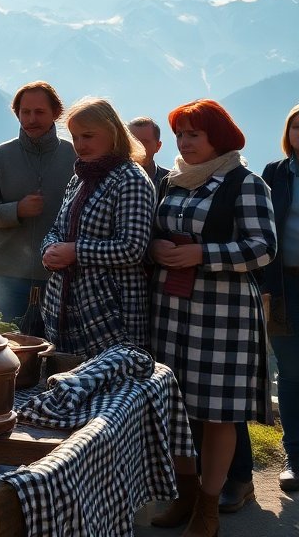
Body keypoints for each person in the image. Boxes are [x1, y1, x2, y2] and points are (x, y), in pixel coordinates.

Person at [147, 99, 276, 537]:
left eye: (193, 135)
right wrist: (157, 249)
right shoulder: (174, 182)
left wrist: (202, 254)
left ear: (217, 137)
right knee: (177, 406)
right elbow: (157, 233)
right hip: (172, 307)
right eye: (180, 134)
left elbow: (263, 247)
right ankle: (185, 495)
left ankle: (208, 507)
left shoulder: (246, 183)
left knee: (219, 413)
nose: (184, 143)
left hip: (224, 311)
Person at [38, 98, 154, 357]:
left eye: (88, 136)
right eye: (75, 137)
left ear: (112, 133)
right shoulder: (80, 178)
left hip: (110, 317)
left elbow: (132, 248)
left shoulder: (131, 179)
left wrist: (75, 251)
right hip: (66, 312)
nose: (80, 145)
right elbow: (58, 228)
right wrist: (50, 250)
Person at [0, 81, 77, 326]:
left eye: (39, 112)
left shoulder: (74, 156)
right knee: (7, 346)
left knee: (55, 350)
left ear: (56, 113)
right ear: (16, 113)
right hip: (8, 276)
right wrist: (16, 210)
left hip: (61, 275)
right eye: (25, 112)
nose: (31, 119)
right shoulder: (0, 156)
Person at [262, 103, 299, 493]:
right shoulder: (276, 173)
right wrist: (266, 283)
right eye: (297, 127)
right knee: (290, 375)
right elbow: (264, 230)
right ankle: (296, 458)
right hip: (287, 287)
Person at [130, 116, 171, 185]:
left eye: (144, 142)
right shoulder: (113, 180)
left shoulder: (172, 182)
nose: (138, 147)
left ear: (158, 146)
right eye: (132, 142)